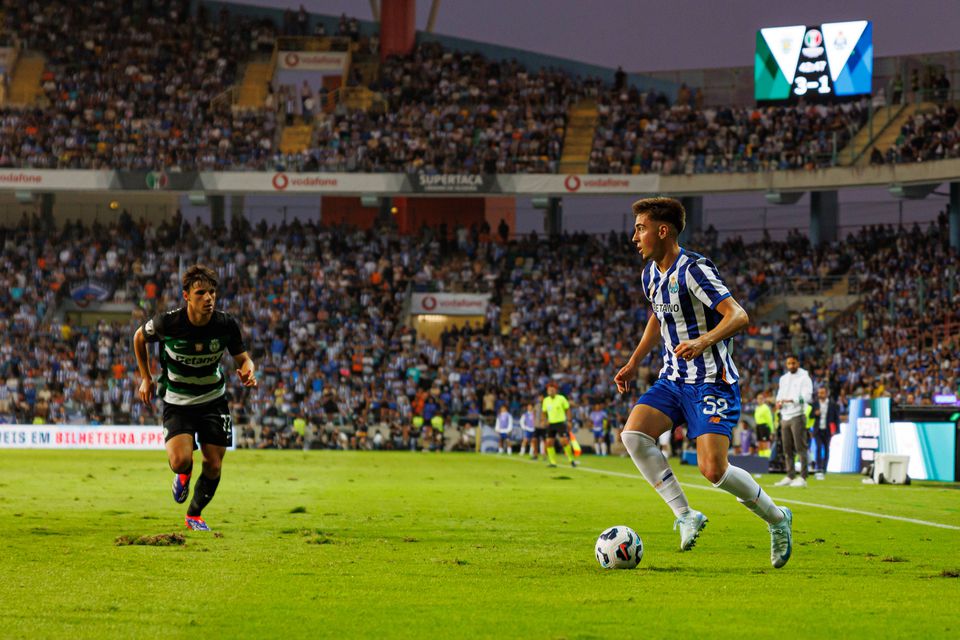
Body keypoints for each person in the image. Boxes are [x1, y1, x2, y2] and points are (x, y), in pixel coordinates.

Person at [613, 197, 793, 569]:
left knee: (714, 470)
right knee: (633, 435)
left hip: (711, 380)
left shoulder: (694, 269)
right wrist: (633, 362)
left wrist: (703, 340)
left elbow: (738, 315)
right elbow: (658, 318)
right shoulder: (650, 274)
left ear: (663, 231)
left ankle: (777, 519)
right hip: (674, 379)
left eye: (641, 228)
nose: (635, 237)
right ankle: (685, 515)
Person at [133, 264, 257, 532]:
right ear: (186, 295)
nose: (208, 298)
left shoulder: (225, 324)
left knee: (213, 464)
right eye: (201, 292)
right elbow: (139, 337)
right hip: (178, 401)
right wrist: (146, 377)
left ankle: (194, 515)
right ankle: (184, 474)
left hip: (213, 400)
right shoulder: (169, 322)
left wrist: (248, 372)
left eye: (212, 292)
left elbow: (244, 359)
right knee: (180, 461)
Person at [774, 355, 813, 488]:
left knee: (800, 447)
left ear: (798, 363)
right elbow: (779, 395)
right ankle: (790, 475)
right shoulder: (783, 379)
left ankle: (803, 477)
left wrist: (792, 400)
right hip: (784, 416)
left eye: (793, 363)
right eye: (789, 363)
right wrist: (778, 403)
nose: (791, 366)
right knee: (787, 448)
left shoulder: (805, 377)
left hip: (797, 415)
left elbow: (807, 397)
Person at [541, 382, 576, 468]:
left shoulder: (561, 398)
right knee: (549, 442)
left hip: (560, 423)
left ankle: (571, 459)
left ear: (555, 390)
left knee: (564, 441)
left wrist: (569, 421)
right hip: (551, 423)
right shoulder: (546, 400)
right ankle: (553, 462)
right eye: (549, 390)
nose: (551, 391)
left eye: (552, 389)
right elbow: (544, 412)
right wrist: (544, 420)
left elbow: (567, 410)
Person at [810, 386, 839, 479]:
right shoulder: (814, 404)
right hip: (818, 429)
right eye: (819, 393)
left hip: (828, 430)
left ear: (826, 393)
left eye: (822, 393)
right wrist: (815, 413)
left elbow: (836, 418)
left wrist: (836, 430)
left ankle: (824, 468)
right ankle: (818, 468)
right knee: (818, 448)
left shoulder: (832, 404)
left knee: (826, 449)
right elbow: (810, 415)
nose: (820, 395)